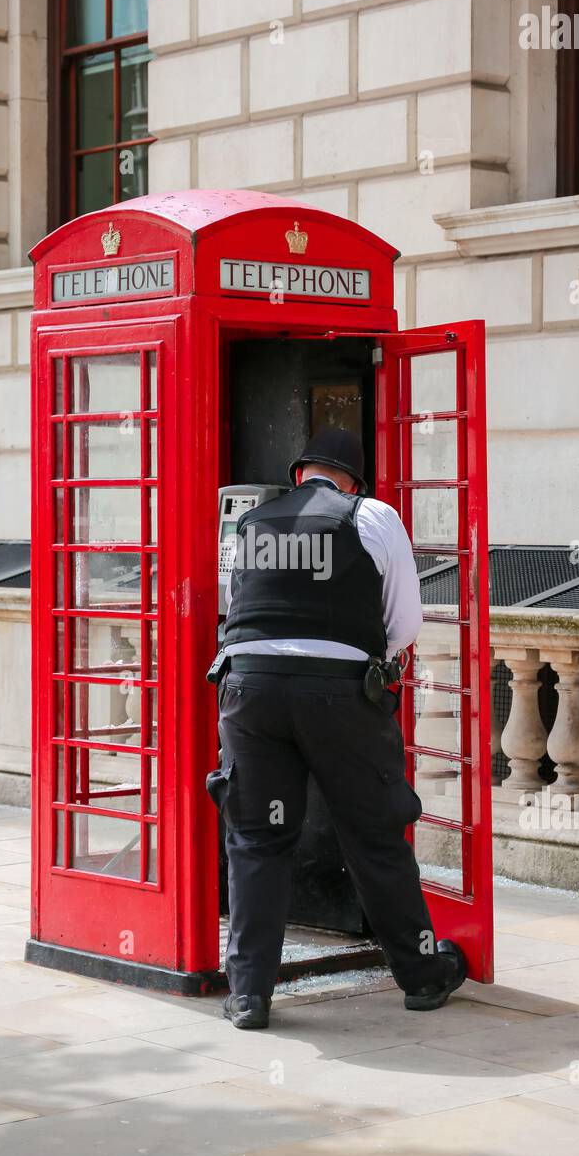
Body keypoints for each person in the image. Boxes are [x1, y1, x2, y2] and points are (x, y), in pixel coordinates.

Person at [207, 426, 467, 1029]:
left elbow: (235, 603)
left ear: (301, 474)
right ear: (354, 480)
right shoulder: (372, 516)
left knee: (257, 838)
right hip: (338, 695)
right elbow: (405, 621)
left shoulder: (252, 523)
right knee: (374, 835)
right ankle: (423, 975)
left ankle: (248, 994)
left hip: (250, 691)